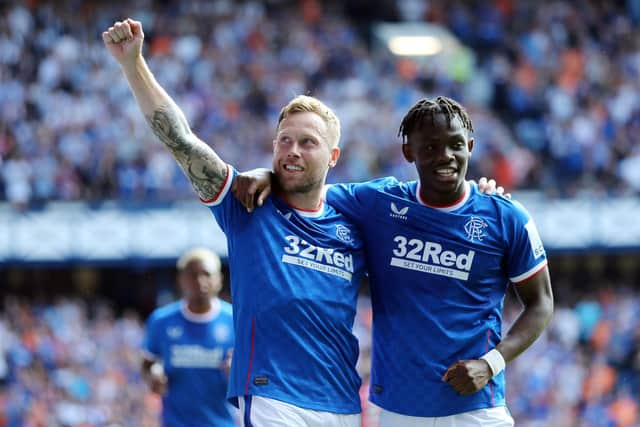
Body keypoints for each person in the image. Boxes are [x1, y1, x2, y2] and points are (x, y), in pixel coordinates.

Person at [104, 19, 367, 427]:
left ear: (333, 156)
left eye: (307, 142)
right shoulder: (248, 204)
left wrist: (486, 192)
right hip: (271, 397)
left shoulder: (356, 218)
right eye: (284, 140)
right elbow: (181, 141)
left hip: (342, 402)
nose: (292, 151)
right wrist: (133, 65)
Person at [234, 96, 554, 426]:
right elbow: (308, 187)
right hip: (398, 413)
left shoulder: (507, 217)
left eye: (456, 145)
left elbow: (541, 302)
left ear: (470, 146)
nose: (445, 156)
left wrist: (492, 363)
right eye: (430, 147)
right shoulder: (378, 202)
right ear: (408, 152)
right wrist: (267, 175)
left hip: (477, 409)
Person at [142, 248, 235, 427]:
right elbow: (148, 360)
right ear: (181, 280)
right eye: (192, 275)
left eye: (206, 274)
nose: (200, 281)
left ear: (219, 279)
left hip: (222, 422)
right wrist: (153, 373)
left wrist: (236, 372)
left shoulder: (235, 320)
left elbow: (254, 371)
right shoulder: (161, 321)